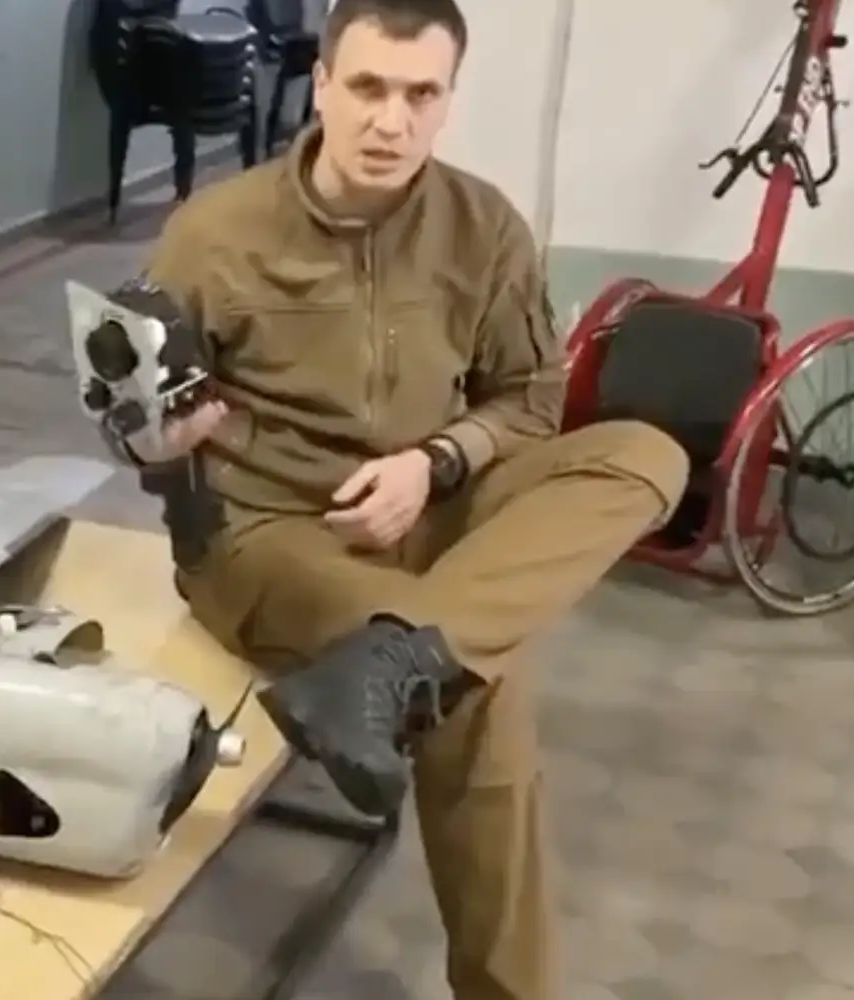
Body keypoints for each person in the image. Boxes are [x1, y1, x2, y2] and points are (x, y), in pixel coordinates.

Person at [117, 1, 691, 997]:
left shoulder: (483, 226)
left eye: (421, 94)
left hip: (428, 509)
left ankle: (405, 651)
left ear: (448, 99)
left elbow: (532, 399)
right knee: (478, 687)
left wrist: (435, 461)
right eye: (369, 88)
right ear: (322, 86)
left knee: (646, 455)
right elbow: (139, 423)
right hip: (270, 536)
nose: (391, 121)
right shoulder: (211, 234)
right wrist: (157, 442)